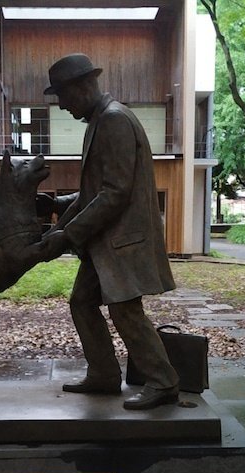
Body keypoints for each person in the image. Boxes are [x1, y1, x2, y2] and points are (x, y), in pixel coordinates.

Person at [37, 53, 179, 410]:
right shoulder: (100, 120)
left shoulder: (114, 120)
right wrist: (57, 208)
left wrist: (67, 234)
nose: (63, 106)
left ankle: (164, 382)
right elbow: (93, 192)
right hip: (106, 242)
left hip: (122, 241)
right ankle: (103, 374)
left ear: (83, 87)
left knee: (125, 311)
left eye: (64, 97)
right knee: (83, 302)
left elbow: (114, 193)